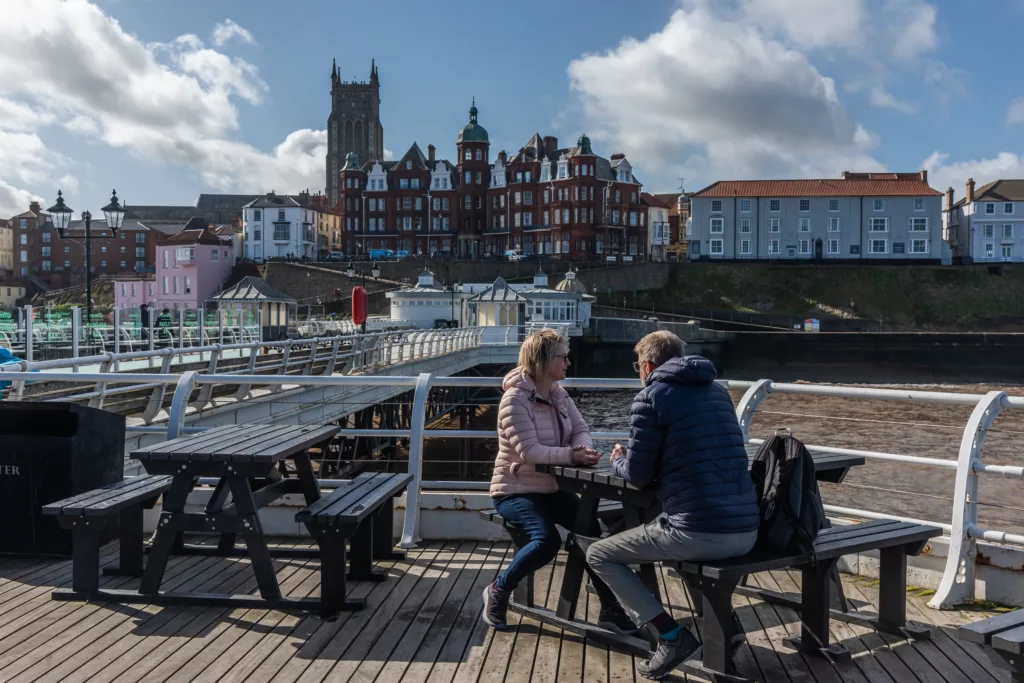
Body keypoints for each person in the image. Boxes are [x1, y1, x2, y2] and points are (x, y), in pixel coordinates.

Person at [585, 331, 760, 680]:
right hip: (747, 529)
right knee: (681, 549)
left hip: (699, 531)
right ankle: (731, 628)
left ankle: (670, 636)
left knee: (599, 555)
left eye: (638, 365)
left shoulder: (650, 397)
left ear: (647, 365)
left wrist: (619, 458)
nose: (639, 371)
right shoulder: (718, 392)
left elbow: (637, 475)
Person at [482, 328, 635, 634]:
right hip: (514, 490)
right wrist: (571, 456)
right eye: (563, 357)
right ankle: (498, 591)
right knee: (546, 541)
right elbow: (529, 452)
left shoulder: (558, 394)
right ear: (544, 361)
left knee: (592, 534)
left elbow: (581, 427)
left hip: (551, 488)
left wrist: (582, 447)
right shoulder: (515, 401)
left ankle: (609, 610)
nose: (568, 363)